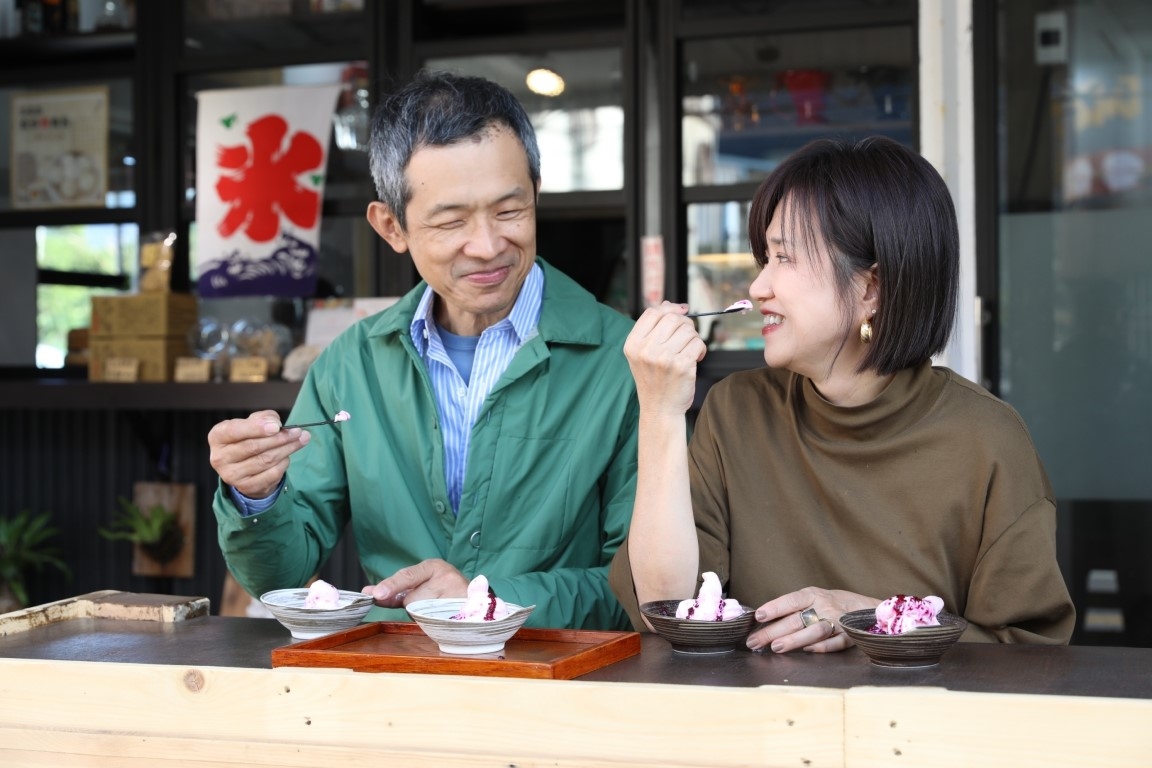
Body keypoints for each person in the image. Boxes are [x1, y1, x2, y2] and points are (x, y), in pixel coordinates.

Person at [208, 70, 638, 631]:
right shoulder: (353, 366)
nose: (487, 245)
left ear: (536, 193)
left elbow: (645, 587)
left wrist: (485, 600)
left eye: (510, 211)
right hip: (399, 675)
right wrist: (257, 496)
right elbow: (280, 574)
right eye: (451, 221)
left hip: (565, 673)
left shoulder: (625, 361)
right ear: (392, 227)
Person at [609, 136, 1075, 651]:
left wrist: (876, 621)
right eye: (765, 258)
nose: (759, 286)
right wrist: (659, 410)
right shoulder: (736, 411)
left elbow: (1029, 655)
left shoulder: (987, 440)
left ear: (871, 288)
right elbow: (667, 610)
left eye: (785, 257)